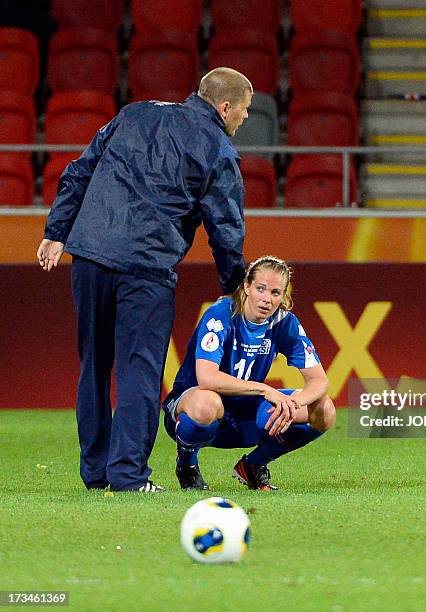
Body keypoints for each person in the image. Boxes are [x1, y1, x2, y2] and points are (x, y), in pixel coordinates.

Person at [36, 67, 253, 493]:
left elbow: (80, 171)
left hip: (91, 257)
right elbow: (226, 226)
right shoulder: (217, 148)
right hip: (147, 268)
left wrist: (56, 231)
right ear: (225, 107)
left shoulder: (133, 114)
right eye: (243, 113)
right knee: (140, 369)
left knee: (94, 366)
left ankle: (96, 474)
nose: (242, 121)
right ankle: (130, 476)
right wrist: (234, 283)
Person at [162, 255, 336, 491]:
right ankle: (187, 466)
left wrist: (293, 403)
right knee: (207, 402)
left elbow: (319, 381)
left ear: (283, 296)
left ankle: (253, 465)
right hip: (196, 410)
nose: (267, 299)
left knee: (324, 410)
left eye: (275, 293)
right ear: (246, 286)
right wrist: (265, 389)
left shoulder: (285, 323)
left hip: (246, 414)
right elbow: (207, 378)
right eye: (261, 289)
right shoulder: (221, 314)